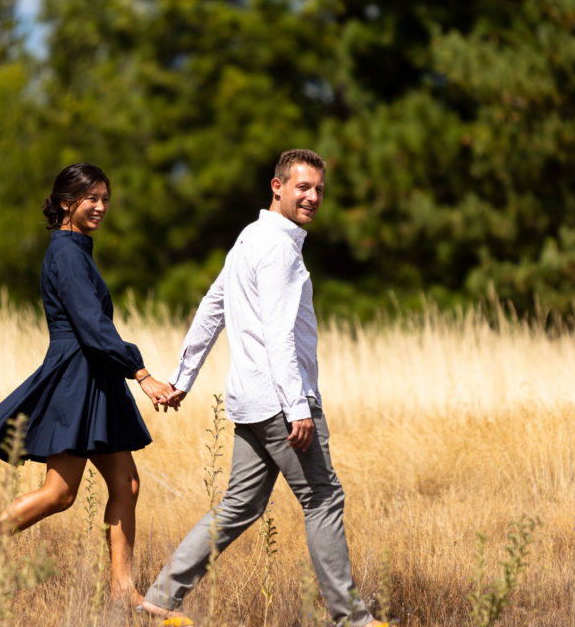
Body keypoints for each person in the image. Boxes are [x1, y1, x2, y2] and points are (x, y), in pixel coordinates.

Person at [139, 149, 388, 627]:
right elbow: (277, 332)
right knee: (323, 498)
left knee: (240, 504)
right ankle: (352, 620)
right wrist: (297, 407)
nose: (313, 197)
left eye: (318, 189)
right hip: (279, 403)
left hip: (249, 403)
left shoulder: (250, 238)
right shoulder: (276, 247)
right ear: (277, 187)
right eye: (302, 187)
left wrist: (183, 379)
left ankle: (160, 599)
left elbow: (213, 306)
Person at [0, 163, 175, 609]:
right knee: (59, 493)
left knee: (126, 484)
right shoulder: (66, 253)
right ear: (67, 203)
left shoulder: (78, 249)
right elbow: (89, 324)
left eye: (106, 198)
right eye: (92, 199)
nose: (102, 206)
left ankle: (122, 591)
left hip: (94, 377)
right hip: (78, 377)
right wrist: (140, 373)